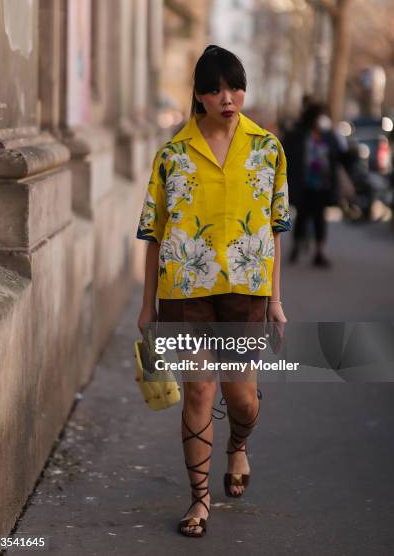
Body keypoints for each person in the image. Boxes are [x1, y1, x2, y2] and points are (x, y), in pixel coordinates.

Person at [136, 45, 291, 537]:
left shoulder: (267, 149)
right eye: (215, 89)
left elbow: (275, 228)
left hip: (245, 291)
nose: (227, 98)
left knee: (240, 397)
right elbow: (154, 233)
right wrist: (146, 308)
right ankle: (199, 501)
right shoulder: (173, 155)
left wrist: (275, 300)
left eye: (234, 86)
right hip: (185, 291)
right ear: (199, 96)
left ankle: (238, 445)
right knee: (200, 389)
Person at [284, 102, 340, 268]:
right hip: (304, 184)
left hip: (323, 185)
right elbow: (287, 154)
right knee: (301, 217)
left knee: (319, 218)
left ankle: (319, 252)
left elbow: (338, 156)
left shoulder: (329, 136)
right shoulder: (299, 135)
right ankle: (296, 246)